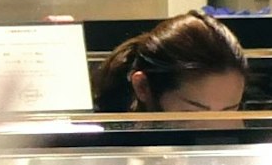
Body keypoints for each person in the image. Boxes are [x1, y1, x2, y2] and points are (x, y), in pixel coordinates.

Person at [90, 12, 248, 114]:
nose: (217, 131)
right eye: (192, 113)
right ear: (143, 87)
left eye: (229, 112)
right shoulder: (103, 152)